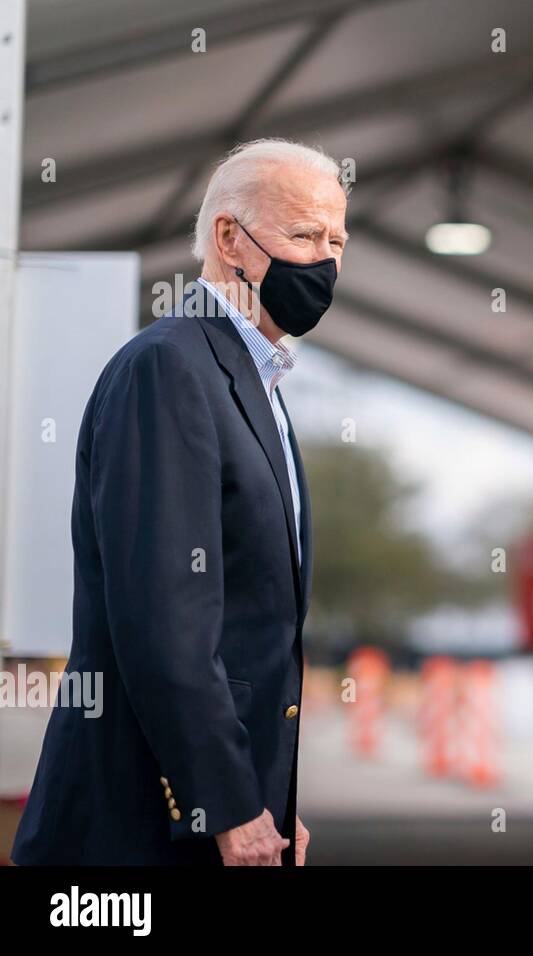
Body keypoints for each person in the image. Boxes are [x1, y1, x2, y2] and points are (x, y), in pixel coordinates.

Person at [12, 139, 348, 865]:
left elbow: (254, 627)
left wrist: (272, 799)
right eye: (303, 235)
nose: (325, 259)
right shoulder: (169, 368)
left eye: (337, 240)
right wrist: (227, 803)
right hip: (142, 829)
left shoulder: (257, 385)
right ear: (230, 238)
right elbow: (164, 616)